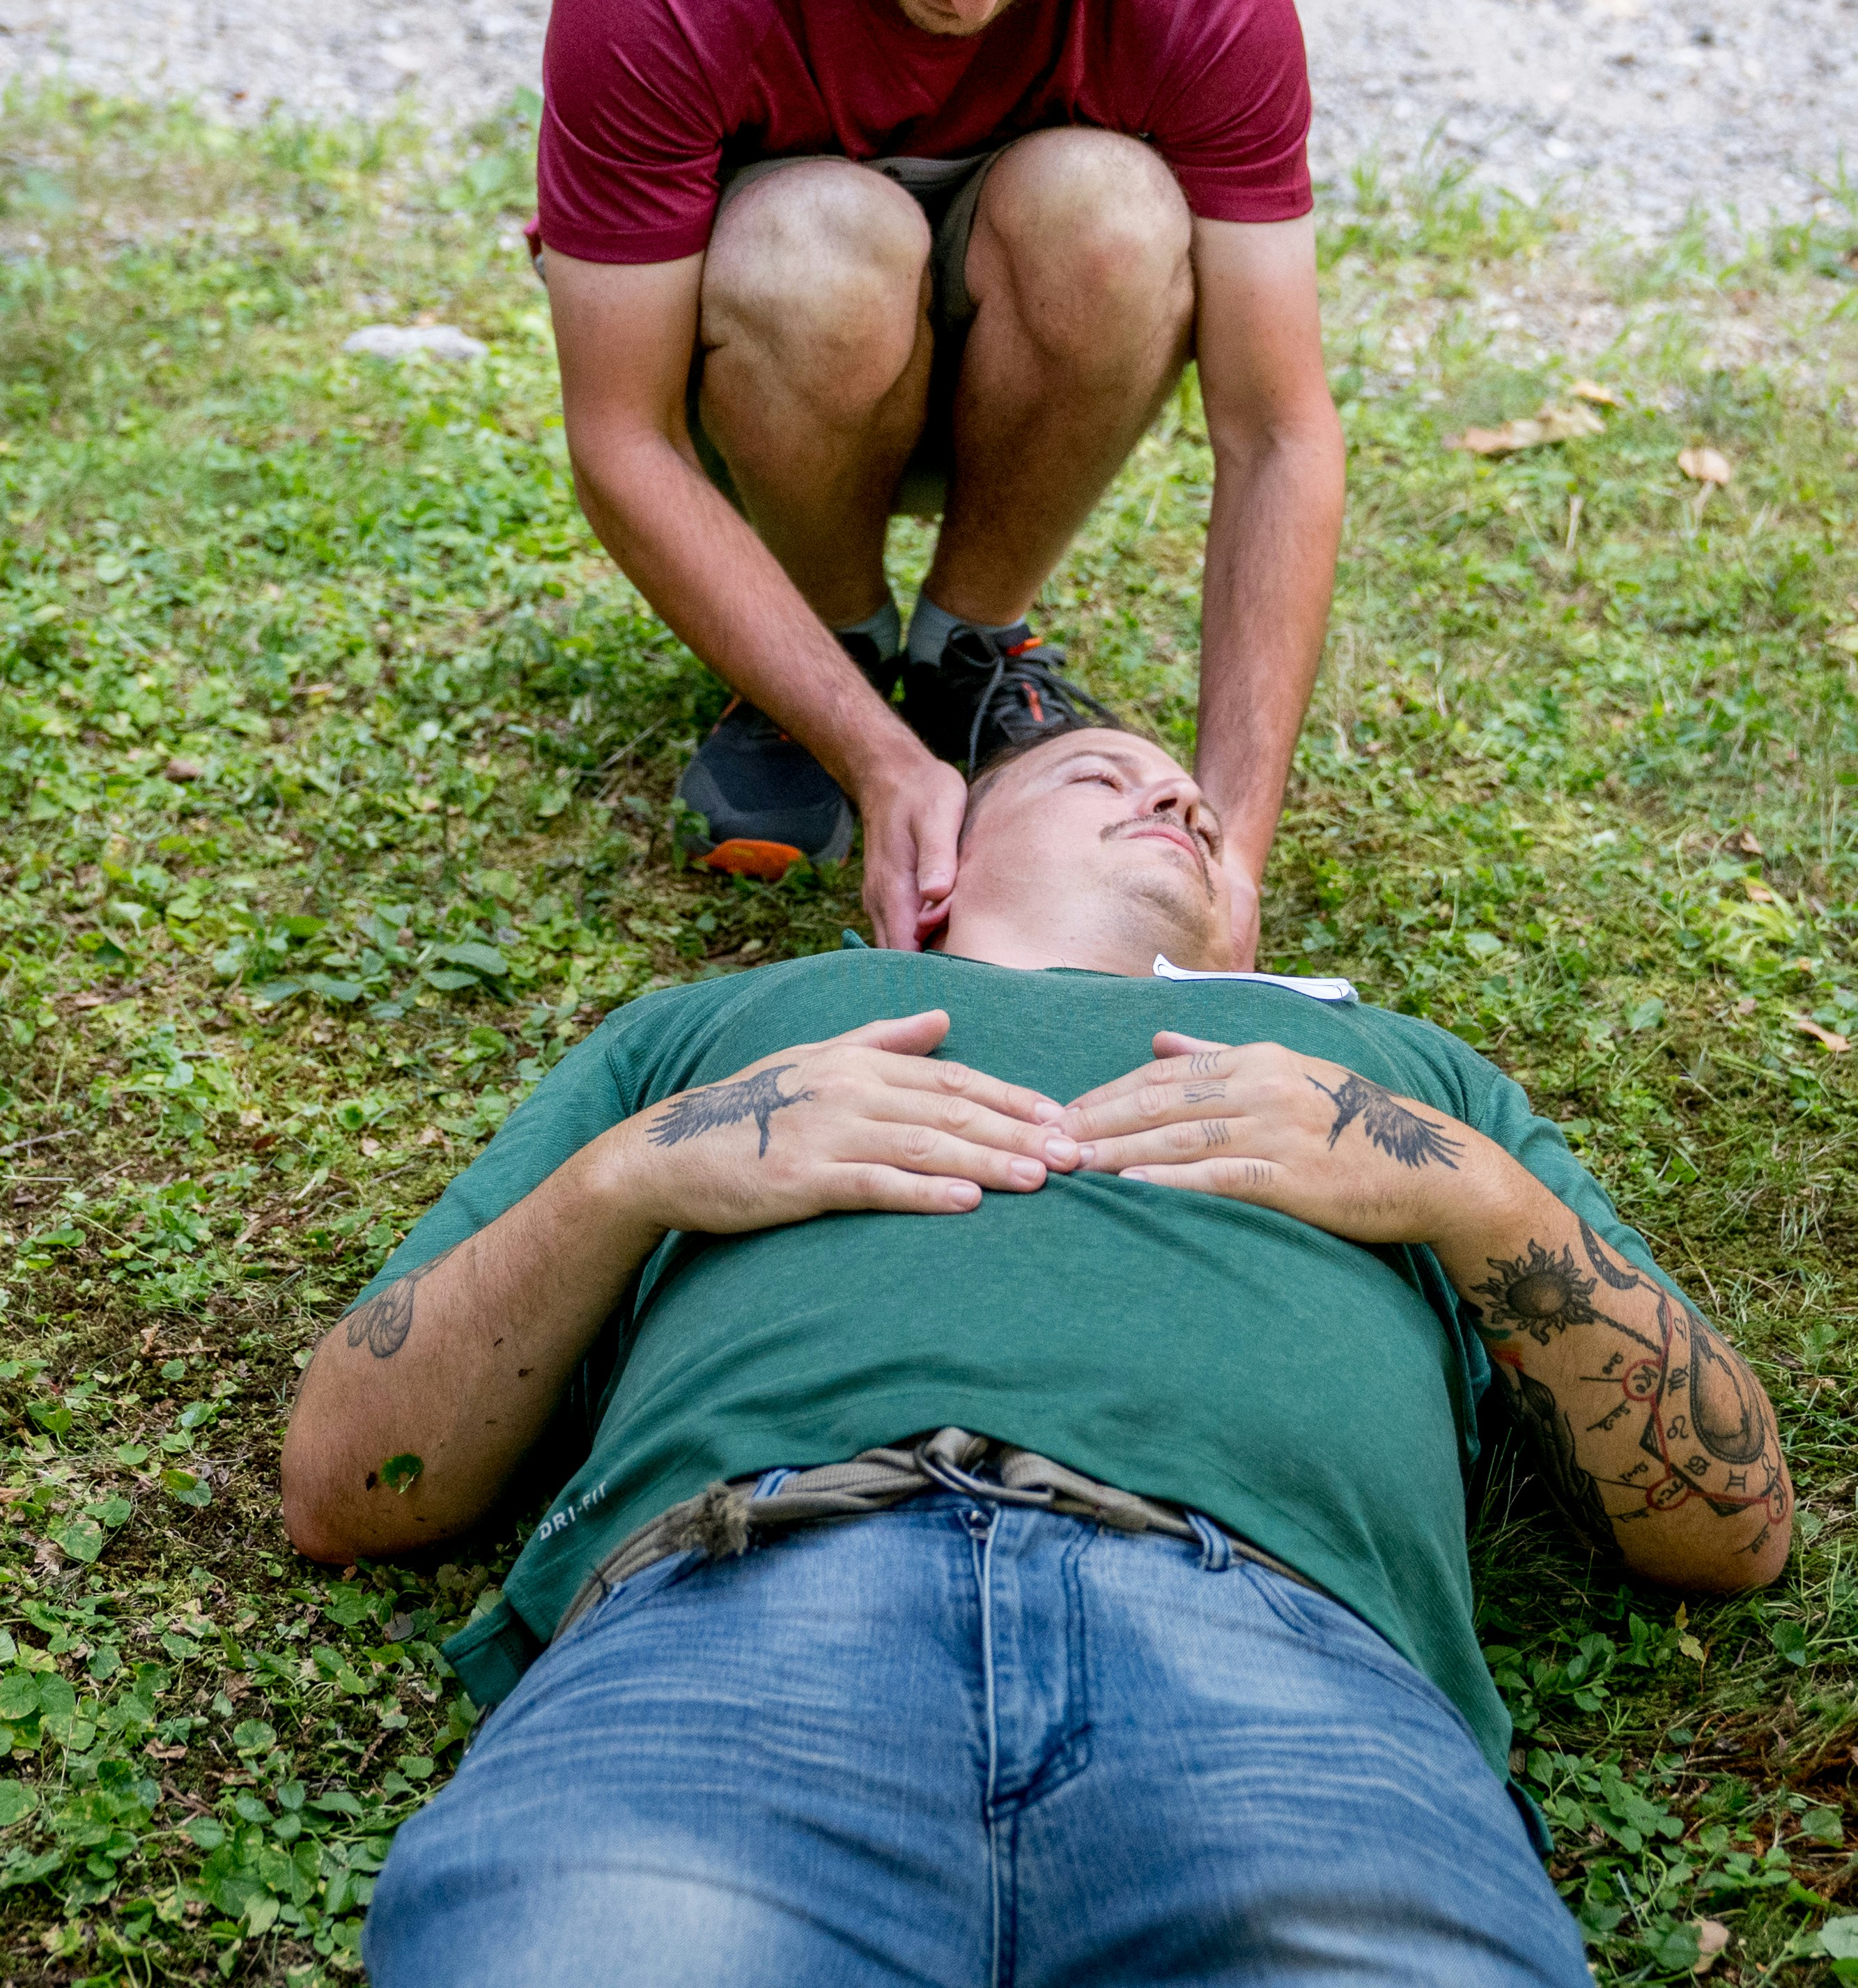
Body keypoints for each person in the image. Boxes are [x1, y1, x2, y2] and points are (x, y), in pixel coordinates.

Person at [283, 727, 1791, 1988]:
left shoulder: (1403, 1070)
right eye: (1094, 772)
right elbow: (350, 1480)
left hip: (1286, 1669)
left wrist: (1464, 1184)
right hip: (741, 1609)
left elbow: (1727, 1526)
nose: (1177, 796)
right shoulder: (724, 1027)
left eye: (1194, 800)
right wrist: (644, 1167)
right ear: (929, 881)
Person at [534, 0, 1344, 965]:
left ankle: (966, 651)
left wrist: (1234, 848)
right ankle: (832, 653)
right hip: (771, 377)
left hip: (1022, 365)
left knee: (1110, 207)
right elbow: (622, 435)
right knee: (816, 247)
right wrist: (867, 754)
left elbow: (1276, 432)